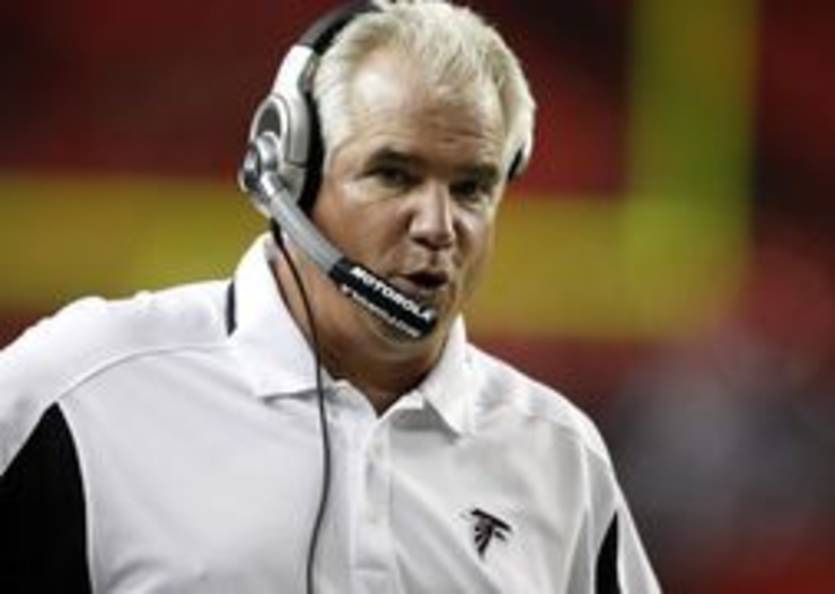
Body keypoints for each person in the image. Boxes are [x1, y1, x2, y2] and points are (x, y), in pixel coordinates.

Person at [0, 1, 660, 593]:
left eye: (471, 189)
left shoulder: (556, 455)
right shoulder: (81, 388)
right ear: (287, 174)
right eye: (393, 174)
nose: (437, 226)